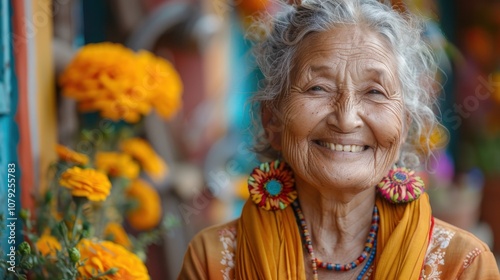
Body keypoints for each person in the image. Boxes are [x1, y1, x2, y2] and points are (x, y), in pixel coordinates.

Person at [178, 0, 500, 279]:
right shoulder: (214, 261)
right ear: (272, 119)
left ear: (404, 126)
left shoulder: (462, 266)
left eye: (374, 92)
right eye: (318, 88)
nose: (346, 119)